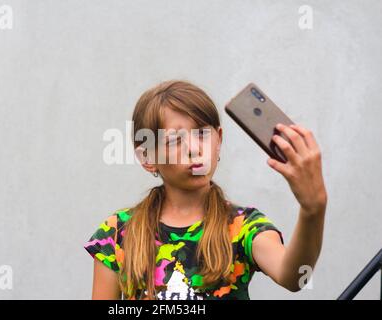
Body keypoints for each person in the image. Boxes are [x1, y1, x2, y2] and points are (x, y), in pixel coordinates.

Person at [83, 80, 328, 300]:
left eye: (202, 133)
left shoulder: (243, 226)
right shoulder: (117, 233)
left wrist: (313, 209)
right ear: (147, 157)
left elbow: (294, 277)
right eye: (174, 140)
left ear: (218, 139)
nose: (194, 149)